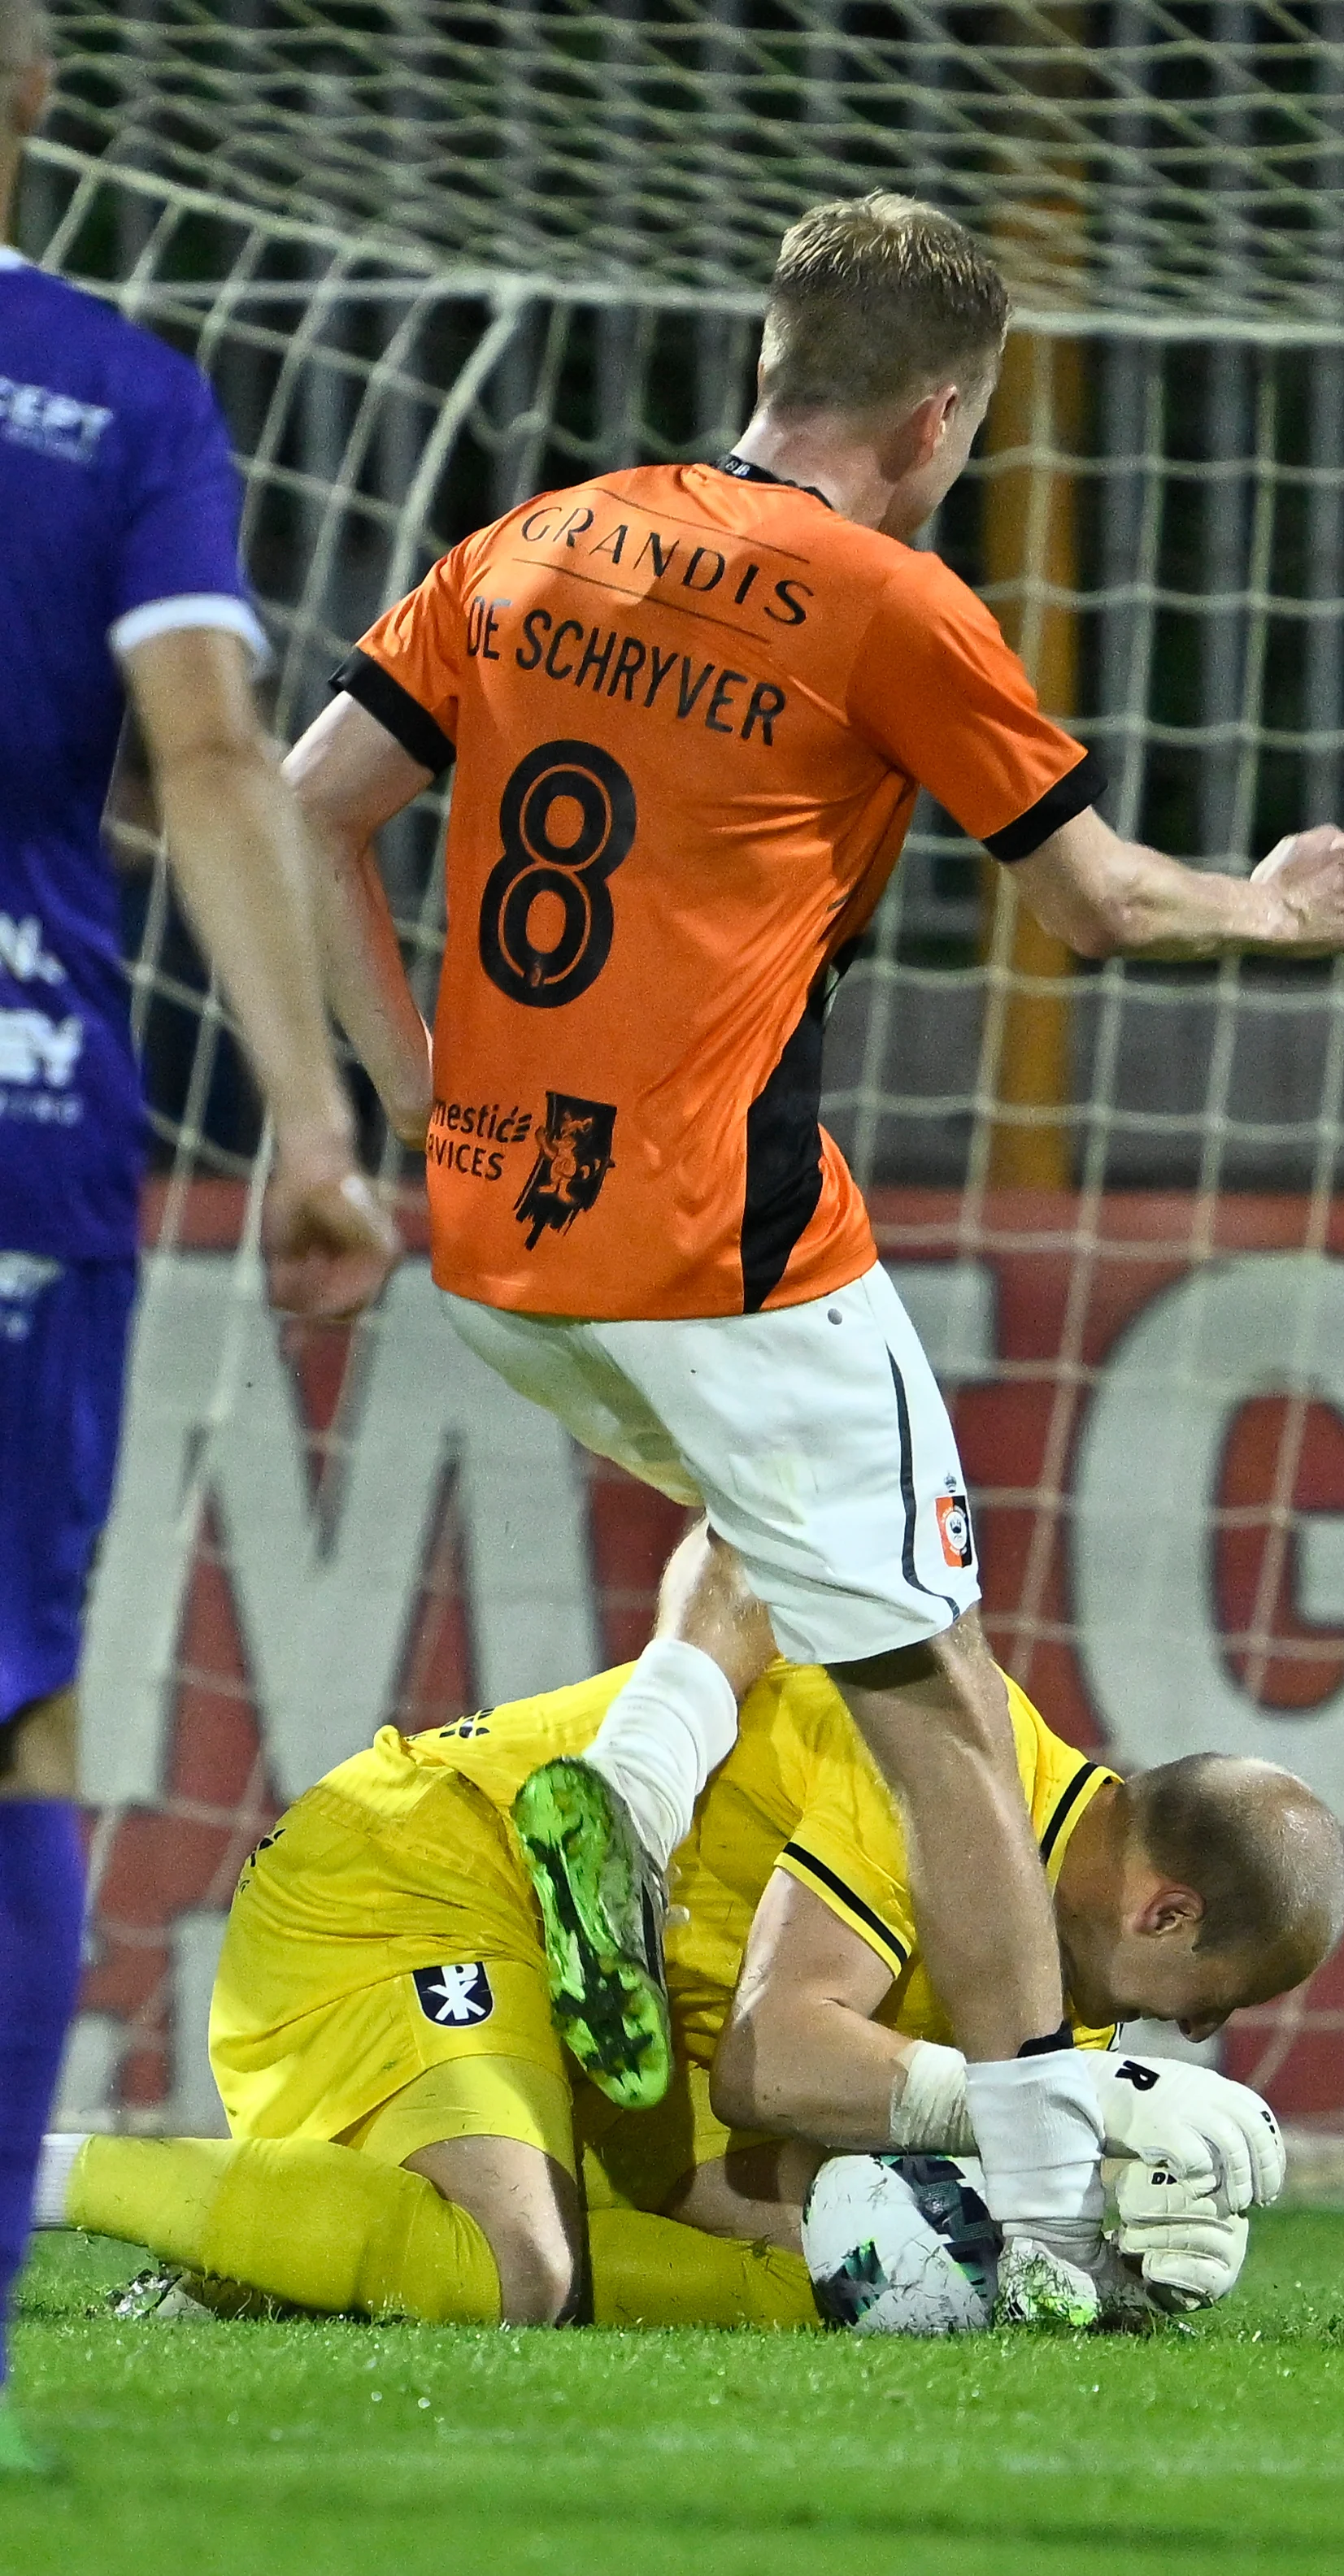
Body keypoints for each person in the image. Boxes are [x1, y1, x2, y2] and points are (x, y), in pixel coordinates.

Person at [284, 189, 1344, 2326]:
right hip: (730, 1249)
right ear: (932, 416)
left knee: (792, 1538)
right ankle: (1045, 2207)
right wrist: (1276, 903)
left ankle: (629, 1789)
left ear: (766, 361)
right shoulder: (886, 595)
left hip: (499, 1242)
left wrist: (400, 1096)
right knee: (942, 1706)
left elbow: (305, 802)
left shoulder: (536, 539)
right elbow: (1092, 907)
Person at [33, 1530, 1344, 2335]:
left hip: (595, 2010)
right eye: (1216, 1998)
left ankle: (275, 2261)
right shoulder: (958, 1762)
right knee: (515, 2268)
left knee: (847, 2280)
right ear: (1166, 1909)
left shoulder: (1062, 1979)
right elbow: (773, 2058)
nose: (1199, 2034)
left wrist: (1087, 2250)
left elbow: (725, 2183)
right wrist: (1068, 2107)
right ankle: (30, 2175)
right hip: (421, 1873)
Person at [0, 2, 398, 2475]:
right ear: (34, 101)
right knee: (19, 1710)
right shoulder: (110, 400)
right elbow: (216, 751)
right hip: (23, 1103)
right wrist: (315, 1109)